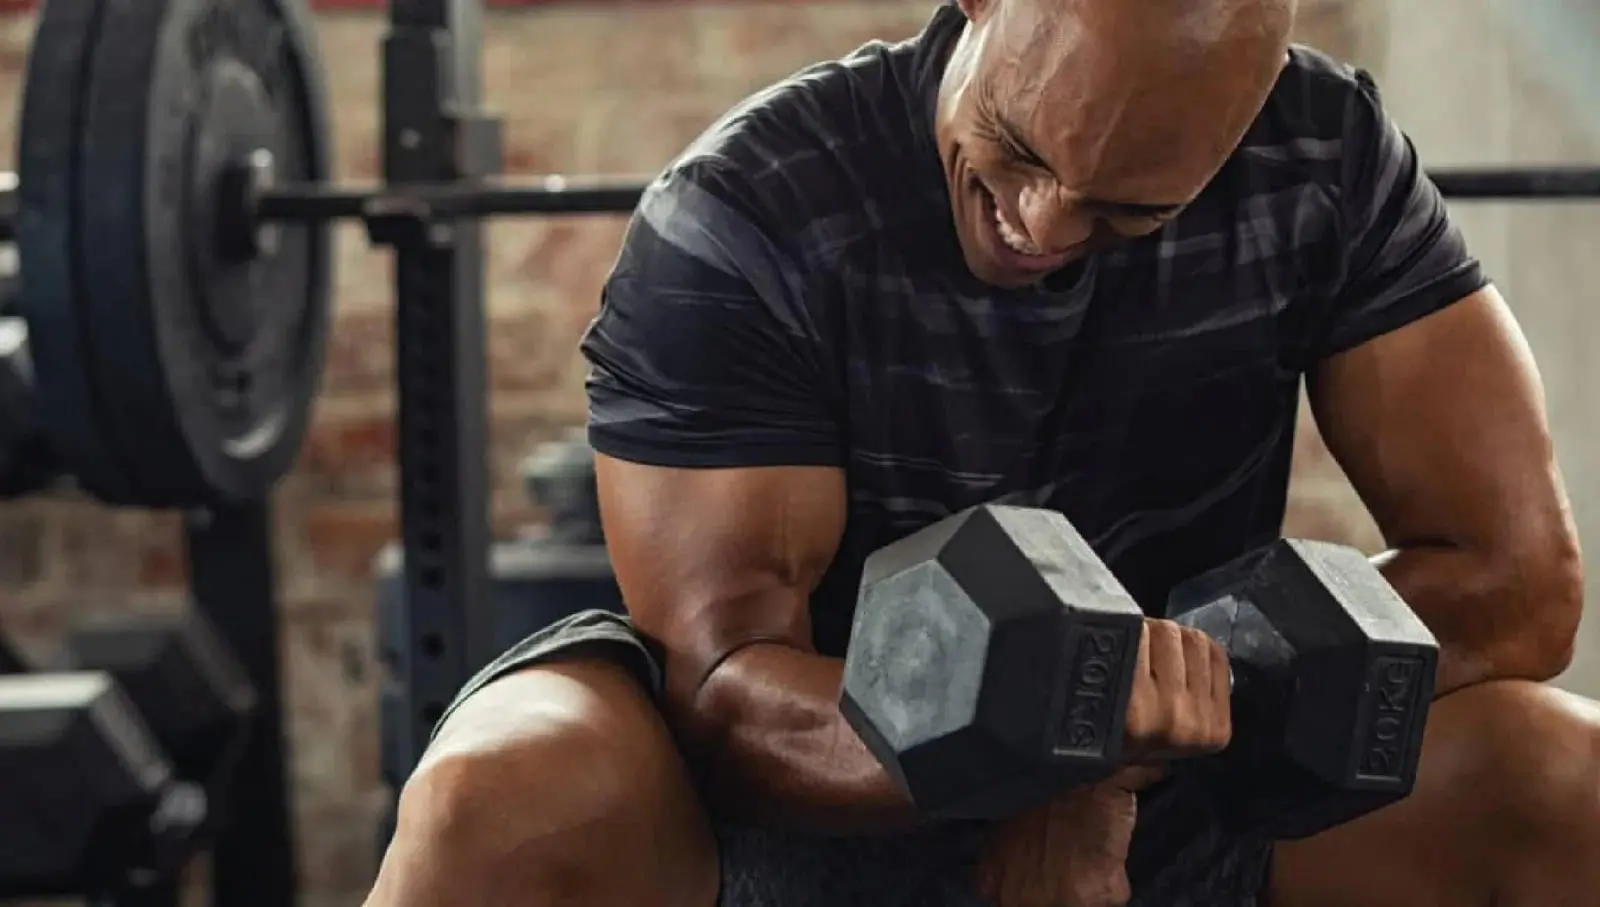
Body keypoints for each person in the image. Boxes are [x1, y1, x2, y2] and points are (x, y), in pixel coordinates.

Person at [366, 0, 1590, 903]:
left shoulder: (1323, 162)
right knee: (501, 793)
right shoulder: (752, 212)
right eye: (1019, 148)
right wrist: (1041, 755)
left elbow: (1517, 582)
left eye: (1127, 209)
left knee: (1562, 777)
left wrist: (1147, 736)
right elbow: (728, 686)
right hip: (801, 809)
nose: (1045, 226)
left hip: (1182, 784)